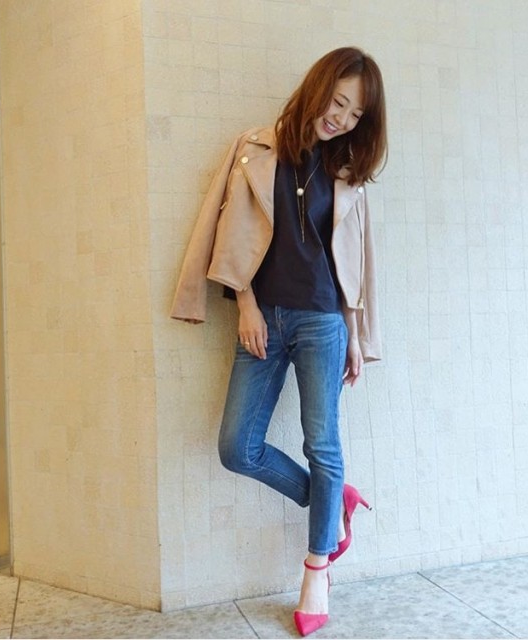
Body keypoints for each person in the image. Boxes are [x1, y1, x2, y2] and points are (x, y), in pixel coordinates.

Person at [170, 46, 387, 636]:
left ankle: (317, 569)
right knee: (237, 447)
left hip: (322, 322)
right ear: (317, 88)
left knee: (323, 444)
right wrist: (244, 303)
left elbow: (355, 265)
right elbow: (227, 228)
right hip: (262, 316)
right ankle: (333, 500)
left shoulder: (348, 175)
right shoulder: (254, 148)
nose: (341, 118)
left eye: (355, 114)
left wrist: (354, 335)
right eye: (337, 102)